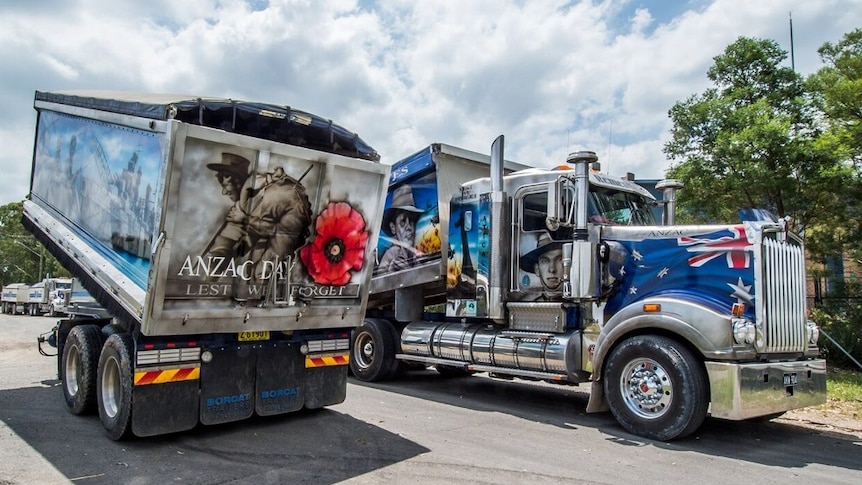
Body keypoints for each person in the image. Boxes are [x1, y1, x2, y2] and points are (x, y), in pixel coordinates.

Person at [377, 184, 423, 272]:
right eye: (402, 222)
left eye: (411, 221)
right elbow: (379, 281)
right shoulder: (392, 253)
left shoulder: (417, 253)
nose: (409, 227)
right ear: (393, 228)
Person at [519, 232, 564, 301]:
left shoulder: (579, 302)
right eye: (545, 261)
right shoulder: (527, 304)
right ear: (537, 269)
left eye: (559, 260)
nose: (552, 269)